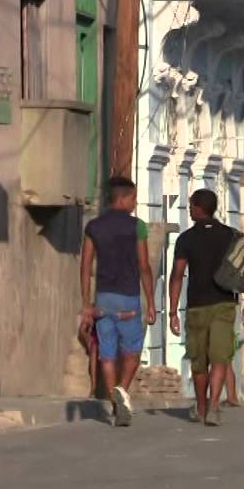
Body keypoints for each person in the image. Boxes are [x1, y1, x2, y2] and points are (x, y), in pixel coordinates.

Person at [169, 190, 244, 426]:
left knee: (199, 361)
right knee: (219, 357)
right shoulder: (231, 235)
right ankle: (214, 406)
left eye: (190, 206)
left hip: (197, 307)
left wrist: (173, 311)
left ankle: (202, 406)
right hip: (225, 304)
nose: (190, 210)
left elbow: (177, 275)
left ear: (198, 208)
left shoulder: (185, 239)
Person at [80, 177, 155, 427]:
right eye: (133, 198)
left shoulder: (93, 227)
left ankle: (115, 403)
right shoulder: (138, 227)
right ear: (122, 198)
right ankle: (122, 389)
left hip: (103, 299)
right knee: (132, 352)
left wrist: (86, 304)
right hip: (128, 299)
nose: (135, 203)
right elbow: (144, 266)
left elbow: (85, 266)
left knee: (107, 355)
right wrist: (152, 302)